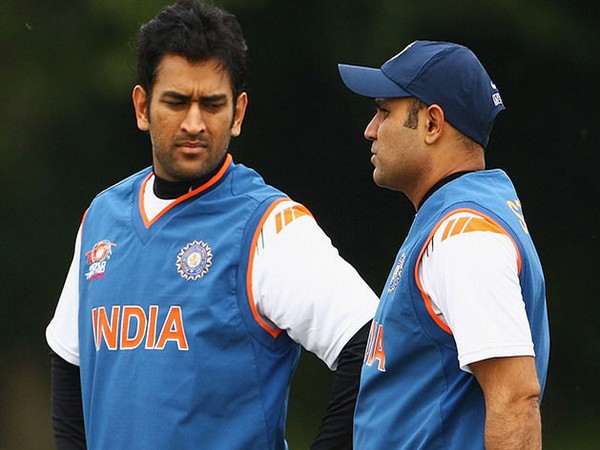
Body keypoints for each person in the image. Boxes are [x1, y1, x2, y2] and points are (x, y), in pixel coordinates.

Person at [45, 1, 378, 449]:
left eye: (212, 104)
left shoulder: (271, 227)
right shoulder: (102, 218)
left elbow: (373, 346)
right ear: (143, 107)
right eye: (176, 102)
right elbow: (69, 363)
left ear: (237, 113)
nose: (194, 123)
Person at [337, 40, 550, 449]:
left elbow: (515, 400)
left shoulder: (466, 236)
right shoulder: (452, 220)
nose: (370, 129)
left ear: (433, 124)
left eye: (384, 111)